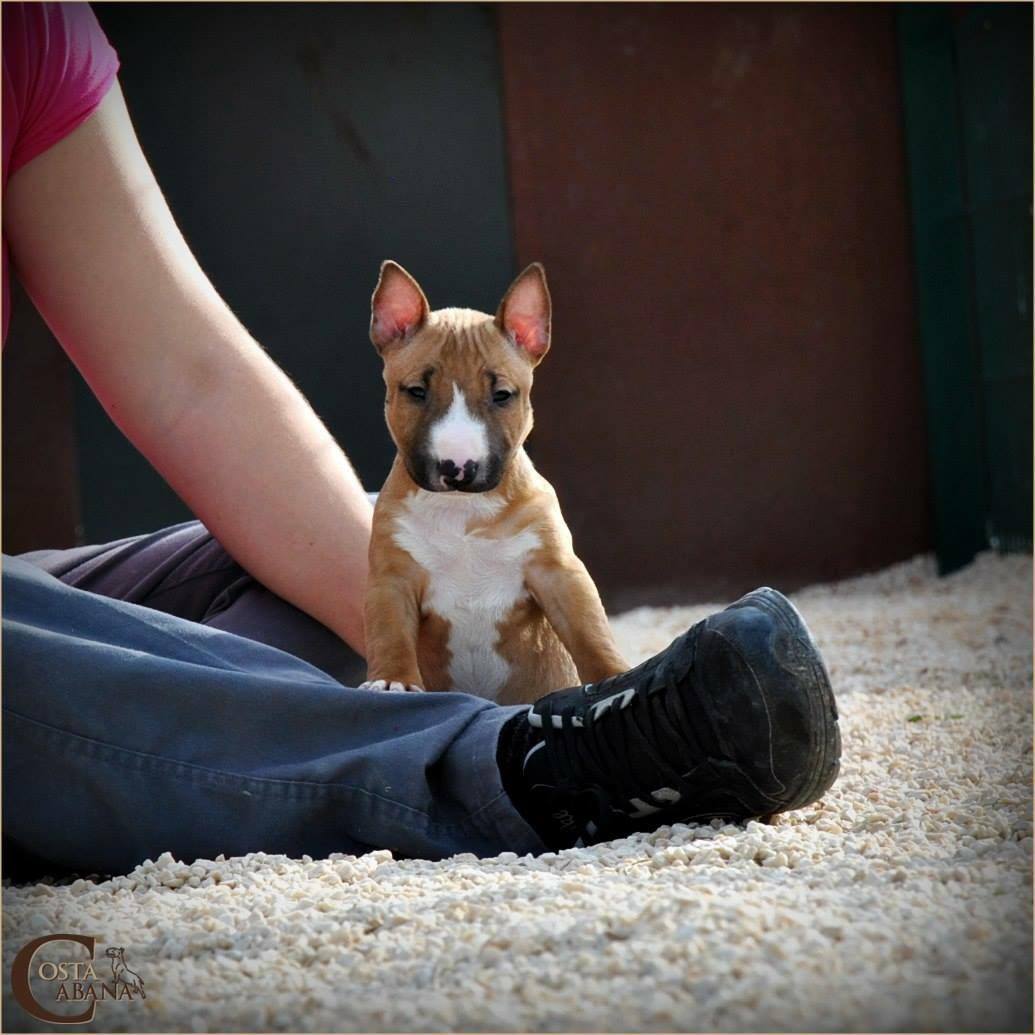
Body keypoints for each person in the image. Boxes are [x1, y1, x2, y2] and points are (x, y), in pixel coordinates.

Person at [2, 3, 840, 879]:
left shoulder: (27, 27)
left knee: (339, 560)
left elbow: (189, 380)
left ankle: (477, 728)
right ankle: (505, 770)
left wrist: (400, 629)